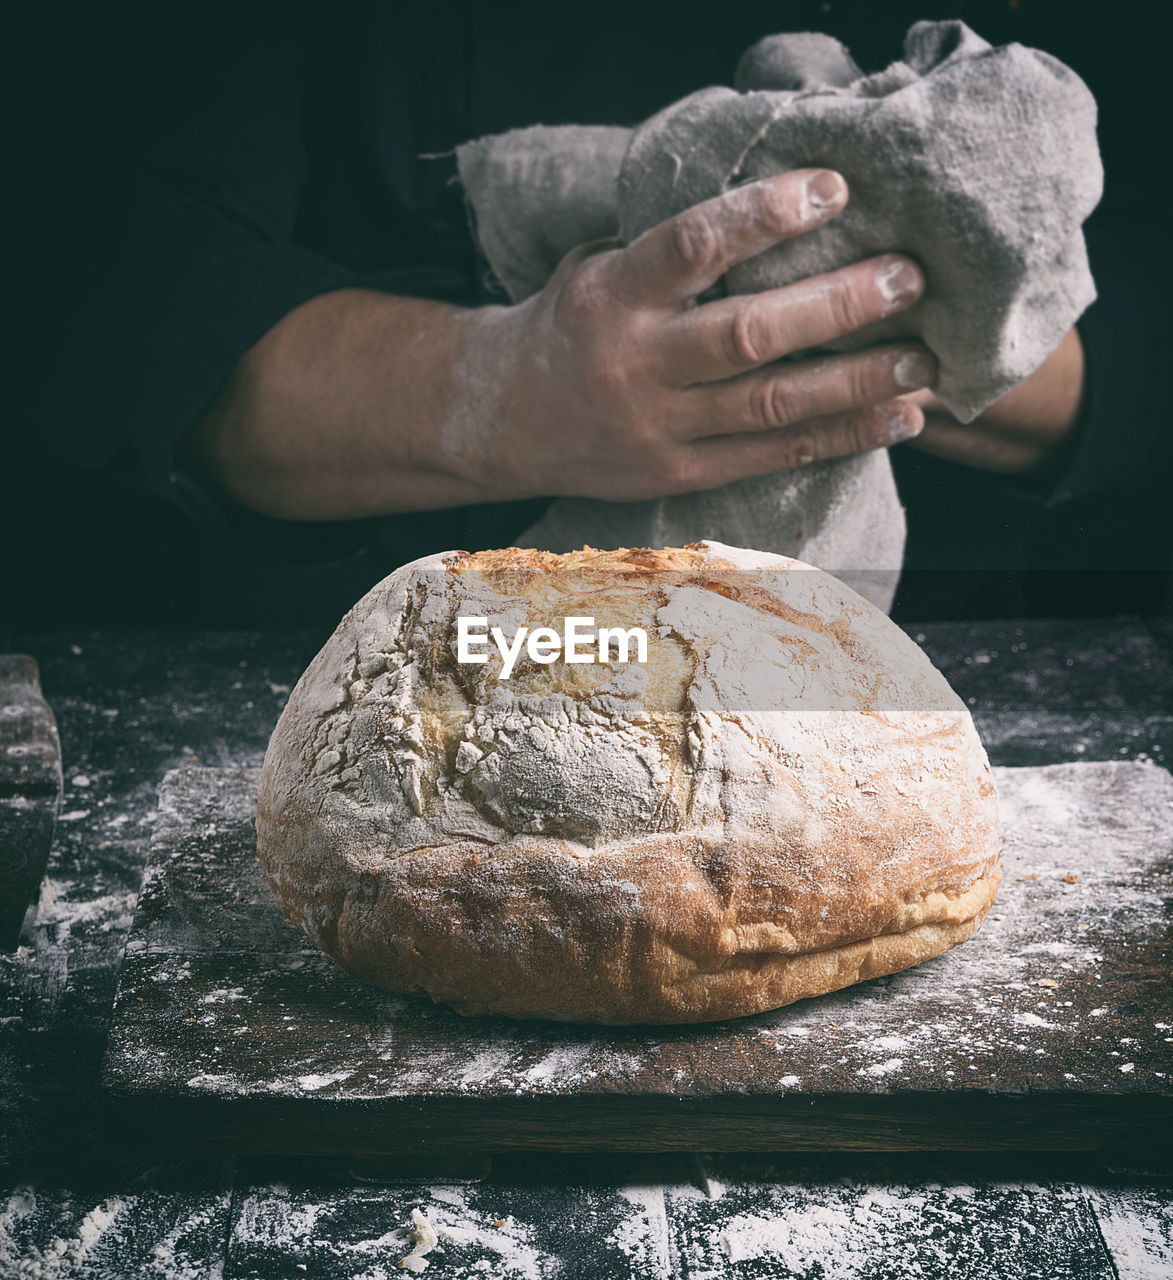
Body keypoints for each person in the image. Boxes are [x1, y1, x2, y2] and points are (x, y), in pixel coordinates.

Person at [17, 0, 1171, 626]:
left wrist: (847, 312)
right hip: (331, 662)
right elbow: (103, 278)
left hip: (951, 675)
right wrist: (501, 391)